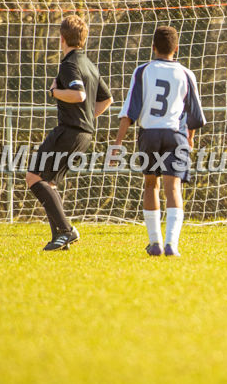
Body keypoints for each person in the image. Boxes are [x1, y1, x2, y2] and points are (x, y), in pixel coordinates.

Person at [113, 26, 206, 256]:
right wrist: (190, 139)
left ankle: (155, 243)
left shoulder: (142, 71)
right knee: (173, 187)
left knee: (150, 185)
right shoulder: (186, 73)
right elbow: (194, 115)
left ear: (153, 47)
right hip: (175, 135)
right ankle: (171, 244)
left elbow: (129, 112)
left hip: (149, 134)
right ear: (176, 48)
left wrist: (117, 143)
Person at [26, 15, 113, 251]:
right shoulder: (89, 64)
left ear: (62, 38)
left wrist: (54, 93)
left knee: (33, 177)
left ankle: (66, 230)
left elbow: (79, 95)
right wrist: (87, 117)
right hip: (84, 133)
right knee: (50, 182)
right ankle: (60, 237)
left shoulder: (69, 64)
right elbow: (107, 99)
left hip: (69, 131)